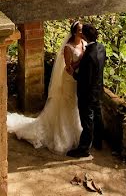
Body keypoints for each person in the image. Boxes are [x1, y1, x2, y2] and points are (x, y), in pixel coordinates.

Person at [6, 21, 85, 155]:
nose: (82, 33)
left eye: (83, 30)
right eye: (80, 30)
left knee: (75, 106)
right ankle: (63, 137)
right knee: (67, 105)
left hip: (79, 81)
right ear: (74, 32)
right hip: (69, 80)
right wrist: (82, 59)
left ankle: (77, 133)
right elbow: (68, 68)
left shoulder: (84, 43)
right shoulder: (68, 47)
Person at [67, 23, 106, 158]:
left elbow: (84, 78)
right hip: (98, 89)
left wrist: (73, 73)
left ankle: (84, 149)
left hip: (87, 93)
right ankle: (98, 142)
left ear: (84, 35)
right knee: (98, 115)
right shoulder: (101, 48)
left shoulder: (88, 55)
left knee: (87, 120)